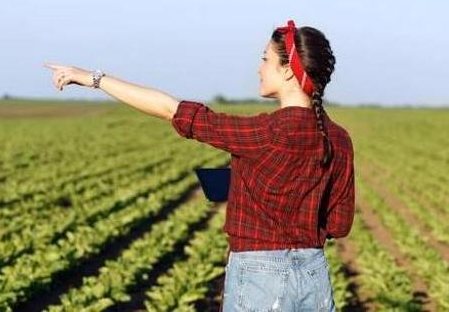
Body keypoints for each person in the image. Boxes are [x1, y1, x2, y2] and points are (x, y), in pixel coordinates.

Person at [42, 19, 355, 311]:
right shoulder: (340, 140)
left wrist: (94, 79)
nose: (259, 68)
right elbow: (339, 225)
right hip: (314, 273)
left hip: (261, 274)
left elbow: (170, 110)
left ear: (288, 71)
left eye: (265, 59)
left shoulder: (265, 132)